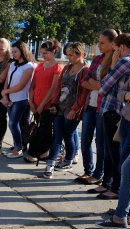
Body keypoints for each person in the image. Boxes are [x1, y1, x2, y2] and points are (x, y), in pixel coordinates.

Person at [93, 33, 130, 200]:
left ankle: (114, 187)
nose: (114, 52)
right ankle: (109, 184)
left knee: (114, 152)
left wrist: (112, 65)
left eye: (116, 49)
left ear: (122, 48)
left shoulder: (124, 62)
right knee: (113, 152)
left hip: (112, 111)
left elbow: (103, 88)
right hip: (118, 111)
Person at [76, 29, 118, 185]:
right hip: (90, 105)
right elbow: (84, 81)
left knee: (100, 144)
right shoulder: (96, 60)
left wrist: (97, 85)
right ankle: (88, 170)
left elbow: (110, 86)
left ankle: (98, 174)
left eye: (102, 42)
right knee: (85, 140)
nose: (98, 45)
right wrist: (99, 85)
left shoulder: (115, 60)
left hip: (103, 108)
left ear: (112, 44)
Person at [42, 42, 89, 179]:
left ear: (80, 54)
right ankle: (50, 165)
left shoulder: (85, 70)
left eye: (71, 55)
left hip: (73, 111)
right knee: (57, 136)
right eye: (67, 55)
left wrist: (75, 110)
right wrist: (55, 104)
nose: (68, 58)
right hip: (60, 108)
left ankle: (68, 160)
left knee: (68, 135)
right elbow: (59, 87)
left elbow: (83, 94)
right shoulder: (67, 68)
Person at [25, 39, 63, 163]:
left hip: (47, 105)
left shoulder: (57, 67)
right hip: (35, 103)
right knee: (39, 129)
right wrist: (31, 101)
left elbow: (53, 89)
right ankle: (43, 153)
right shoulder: (40, 66)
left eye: (46, 53)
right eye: (42, 52)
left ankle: (34, 153)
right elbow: (33, 84)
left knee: (44, 130)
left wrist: (41, 105)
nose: (43, 55)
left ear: (53, 52)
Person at [1, 41, 35, 159]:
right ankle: (20, 145)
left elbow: (21, 86)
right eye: (12, 51)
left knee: (13, 123)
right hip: (11, 98)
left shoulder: (29, 66)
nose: (13, 54)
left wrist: (5, 92)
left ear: (23, 51)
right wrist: (5, 95)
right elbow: (7, 81)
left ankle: (18, 148)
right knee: (19, 123)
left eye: (16, 51)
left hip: (21, 99)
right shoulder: (12, 64)